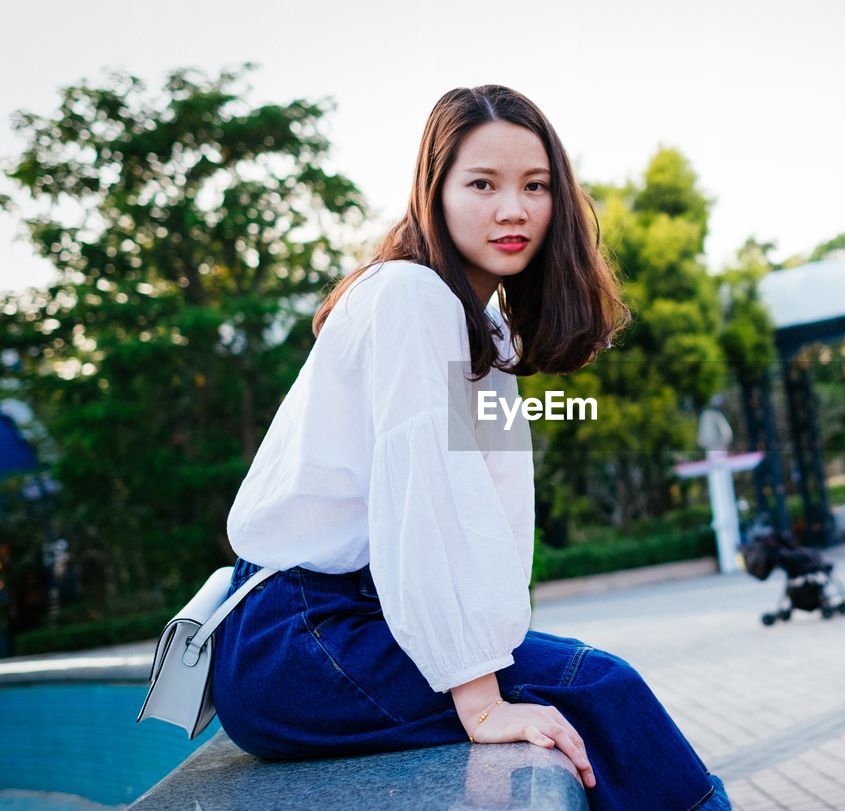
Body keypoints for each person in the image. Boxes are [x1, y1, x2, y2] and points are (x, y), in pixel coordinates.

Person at [210, 85, 732, 810]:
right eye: (482, 184)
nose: (513, 209)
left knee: (595, 688)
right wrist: (482, 703)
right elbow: (425, 501)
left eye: (536, 186)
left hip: (353, 623)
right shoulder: (409, 297)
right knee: (596, 691)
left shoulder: (483, 331)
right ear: (436, 191)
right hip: (299, 637)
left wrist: (492, 646)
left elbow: (492, 519)